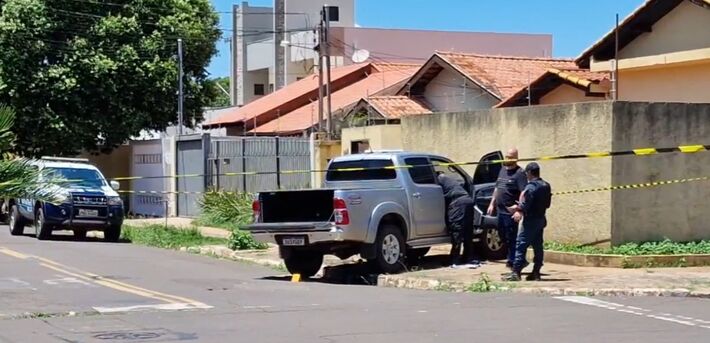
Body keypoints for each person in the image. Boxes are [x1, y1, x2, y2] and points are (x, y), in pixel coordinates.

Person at [503, 162, 552, 281]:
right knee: (538, 246)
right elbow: (547, 204)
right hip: (541, 218)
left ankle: (516, 272)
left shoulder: (530, 187)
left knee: (521, 244)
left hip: (530, 220)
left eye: (526, 173)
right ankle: (536, 272)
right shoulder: (546, 185)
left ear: (530, 173)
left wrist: (518, 209)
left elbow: (526, 204)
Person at [487, 148, 528, 269]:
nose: (508, 159)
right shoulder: (502, 170)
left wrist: (519, 209)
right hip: (500, 210)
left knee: (511, 237)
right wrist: (492, 203)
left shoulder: (520, 173)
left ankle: (513, 261)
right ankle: (518, 260)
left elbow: (524, 193)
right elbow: (497, 187)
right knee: (502, 235)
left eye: (510, 157)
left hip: (510, 212)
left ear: (516, 158)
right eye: (506, 156)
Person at [436, 172, 476, 267]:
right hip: (467, 200)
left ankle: (455, 260)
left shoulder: (438, 179)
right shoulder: (448, 179)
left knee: (456, 230)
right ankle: (468, 257)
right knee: (467, 231)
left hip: (458, 202)